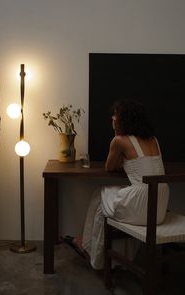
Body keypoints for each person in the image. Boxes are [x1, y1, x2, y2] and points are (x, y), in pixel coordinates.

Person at [62, 98, 169, 270]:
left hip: (141, 205)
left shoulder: (119, 140)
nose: (112, 118)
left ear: (123, 119)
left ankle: (90, 249)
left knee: (99, 195)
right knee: (103, 200)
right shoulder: (153, 140)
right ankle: (96, 249)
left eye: (115, 115)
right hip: (159, 206)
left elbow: (109, 167)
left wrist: (116, 138)